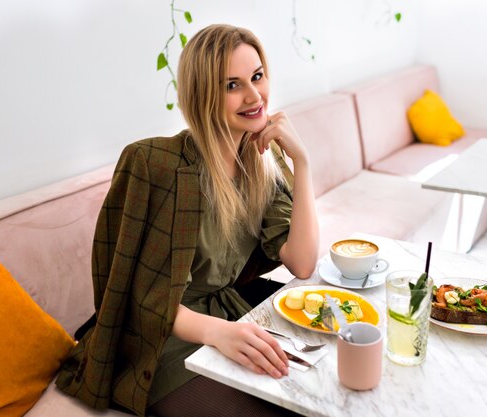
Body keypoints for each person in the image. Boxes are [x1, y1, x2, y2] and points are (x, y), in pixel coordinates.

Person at [56, 24, 319, 417]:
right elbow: (132, 292)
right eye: (232, 85)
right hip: (163, 338)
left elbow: (302, 262)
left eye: (257, 76)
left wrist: (303, 162)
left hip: (232, 316)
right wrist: (217, 333)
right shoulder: (151, 163)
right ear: (203, 94)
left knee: (318, 394)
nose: (253, 96)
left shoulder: (263, 165)